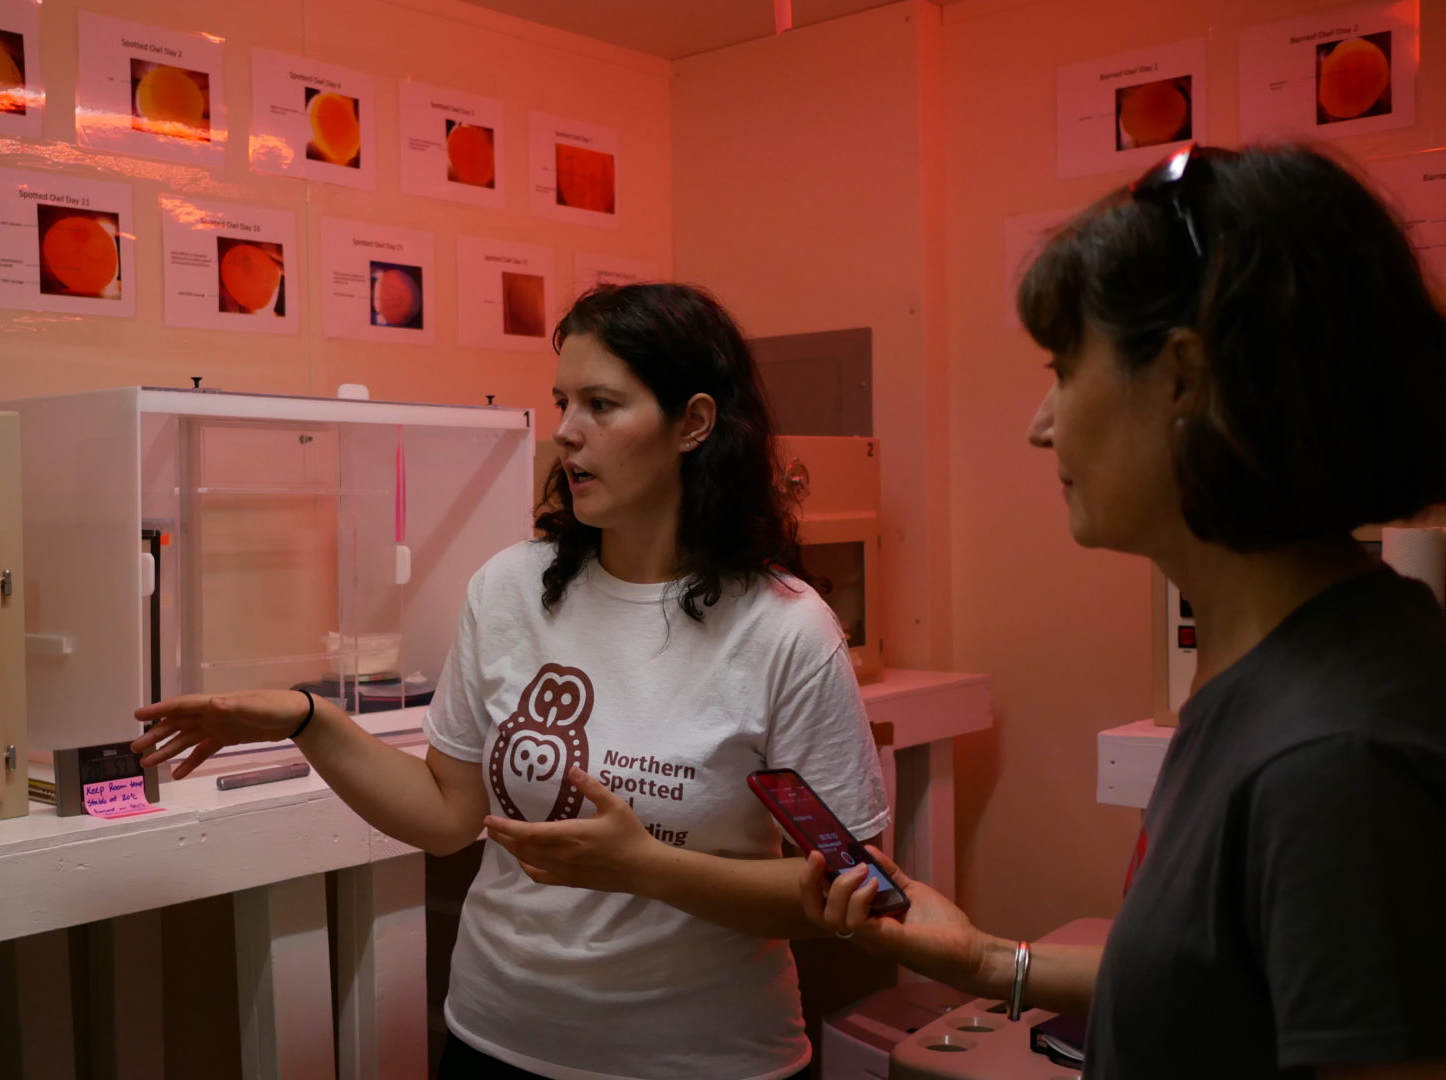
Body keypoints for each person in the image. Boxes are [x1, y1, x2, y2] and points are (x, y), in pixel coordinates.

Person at [133, 282, 889, 1080]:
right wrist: (308, 720)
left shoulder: (783, 628)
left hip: (705, 1060)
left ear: (694, 424)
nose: (565, 432)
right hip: (498, 1042)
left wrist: (646, 867)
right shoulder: (510, 588)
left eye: (603, 403)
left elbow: (855, 888)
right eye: (563, 401)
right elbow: (447, 815)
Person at [803, 143, 1446, 1079]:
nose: (1041, 422)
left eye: (1065, 368)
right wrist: (989, 961)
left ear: (1182, 379)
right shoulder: (1280, 666)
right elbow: (1227, 983)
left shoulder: (1340, 761)